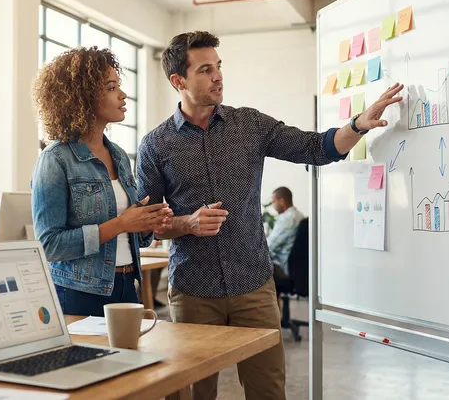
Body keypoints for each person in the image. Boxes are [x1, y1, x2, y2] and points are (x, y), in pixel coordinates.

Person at [136, 30, 403, 400]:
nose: (218, 76)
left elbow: (315, 147)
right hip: (194, 291)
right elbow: (144, 226)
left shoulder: (251, 125)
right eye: (205, 70)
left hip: (254, 287)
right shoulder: (155, 144)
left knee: (268, 392)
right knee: (191, 395)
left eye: (219, 67)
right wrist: (186, 224)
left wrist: (357, 124)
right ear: (178, 81)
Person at [31, 46, 173, 317]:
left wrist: (146, 224)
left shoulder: (118, 154)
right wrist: (121, 223)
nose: (122, 94)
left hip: (127, 284)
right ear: (81, 97)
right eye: (111, 88)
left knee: (131, 360)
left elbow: (134, 238)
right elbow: (50, 245)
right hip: (78, 292)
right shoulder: (55, 159)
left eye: (118, 85)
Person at [267, 186, 305, 281]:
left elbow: (269, 247)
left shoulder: (286, 219)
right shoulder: (299, 215)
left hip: (282, 266)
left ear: (281, 201)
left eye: (274, 202)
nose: (273, 205)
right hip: (297, 266)